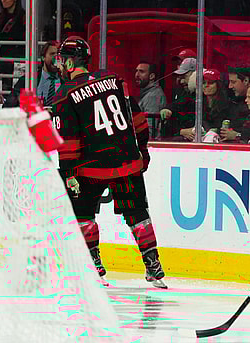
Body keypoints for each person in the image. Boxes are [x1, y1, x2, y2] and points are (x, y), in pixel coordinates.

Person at [51, 36, 167, 289]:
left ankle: (94, 266)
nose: (60, 66)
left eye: (61, 60)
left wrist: (68, 174)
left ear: (70, 62)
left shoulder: (64, 95)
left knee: (82, 214)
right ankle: (154, 266)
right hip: (127, 161)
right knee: (137, 213)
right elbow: (138, 119)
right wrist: (143, 152)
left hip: (90, 167)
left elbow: (67, 141)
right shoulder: (114, 81)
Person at [3, 40, 60, 108]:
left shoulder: (66, 80)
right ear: (43, 57)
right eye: (52, 54)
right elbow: (8, 106)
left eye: (58, 55)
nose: (56, 58)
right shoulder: (27, 80)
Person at [159, 57, 196, 141]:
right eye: (180, 77)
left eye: (185, 76)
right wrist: (167, 109)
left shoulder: (202, 97)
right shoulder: (182, 92)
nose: (182, 81)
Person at [0, 0, 25, 91]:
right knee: (1, 88)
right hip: (3, 56)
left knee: (16, 88)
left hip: (19, 56)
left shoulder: (24, 17)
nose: (3, 0)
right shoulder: (0, 17)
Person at [135, 61, 167, 140]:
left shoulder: (153, 96)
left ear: (152, 76)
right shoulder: (148, 94)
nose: (137, 75)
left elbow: (150, 130)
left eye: (141, 71)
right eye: (136, 71)